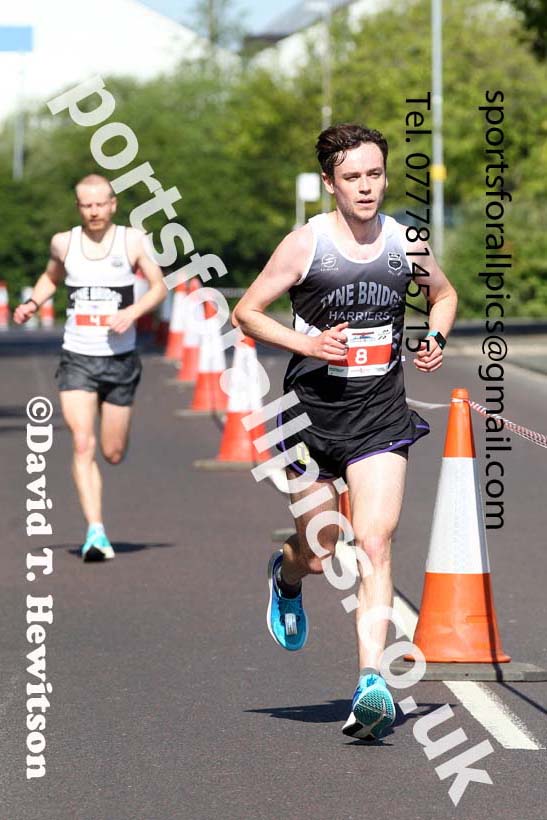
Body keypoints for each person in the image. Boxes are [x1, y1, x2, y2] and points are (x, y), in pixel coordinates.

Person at [233, 124, 457, 740]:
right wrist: (307, 341)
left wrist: (435, 336)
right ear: (330, 183)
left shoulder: (404, 242)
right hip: (309, 419)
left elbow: (443, 295)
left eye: (375, 174)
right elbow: (246, 312)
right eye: (352, 177)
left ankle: (370, 683)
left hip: (380, 414)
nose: (366, 187)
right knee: (323, 548)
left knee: (376, 541)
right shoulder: (305, 245)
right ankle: (285, 573)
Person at [14, 174, 166, 561]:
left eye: (100, 204)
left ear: (113, 204)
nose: (94, 211)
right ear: (78, 207)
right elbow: (51, 278)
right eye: (86, 205)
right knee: (83, 443)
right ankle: (95, 532)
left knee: (112, 452)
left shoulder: (130, 240)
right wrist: (33, 303)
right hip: (77, 357)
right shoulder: (64, 243)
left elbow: (158, 287)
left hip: (120, 360)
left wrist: (132, 311)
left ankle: (112, 436)